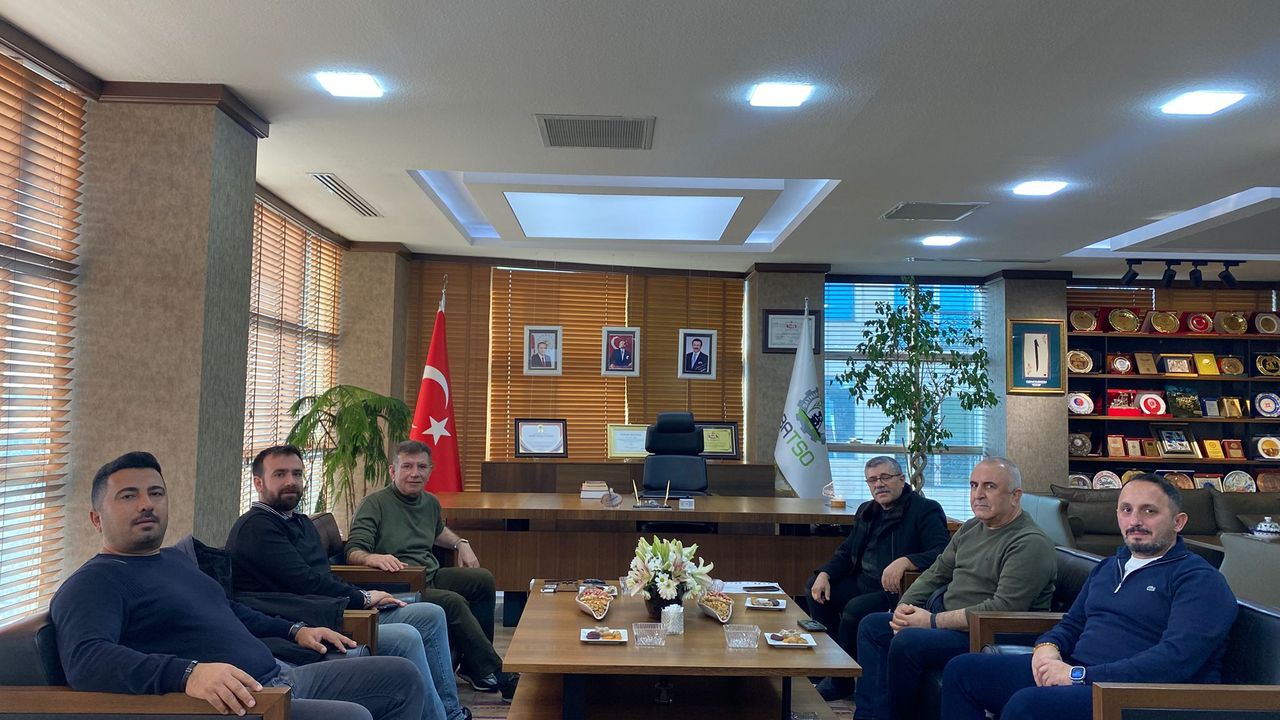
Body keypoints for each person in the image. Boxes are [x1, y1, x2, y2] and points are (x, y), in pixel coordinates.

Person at [51, 451, 425, 720]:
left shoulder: (173, 560)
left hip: (280, 675)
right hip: (244, 704)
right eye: (128, 496)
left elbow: (228, 609)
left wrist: (295, 630)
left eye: (156, 493)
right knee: (353, 716)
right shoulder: (94, 583)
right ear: (96, 519)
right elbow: (86, 660)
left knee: (400, 675)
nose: (146, 504)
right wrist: (188, 674)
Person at [942, 474, 1238, 720]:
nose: (1135, 520)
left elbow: (1174, 661)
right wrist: (1047, 647)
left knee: (1028, 705)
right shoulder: (1110, 567)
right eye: (1126, 510)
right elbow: (1072, 623)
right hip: (1081, 672)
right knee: (963, 670)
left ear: (1178, 522)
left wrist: (1079, 676)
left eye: (1149, 511)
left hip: (1139, 696)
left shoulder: (1198, 580)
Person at [225, 445, 471, 720]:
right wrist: (363, 597)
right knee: (407, 637)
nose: (291, 481)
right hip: (310, 620)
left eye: (297, 474)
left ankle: (451, 712)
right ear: (258, 483)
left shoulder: (297, 521)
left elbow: (323, 577)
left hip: (333, 608)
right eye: (280, 474)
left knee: (431, 614)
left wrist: (361, 595)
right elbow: (306, 583)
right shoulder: (257, 527)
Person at [853, 457, 1056, 720]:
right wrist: (904, 607)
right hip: (950, 623)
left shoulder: (1029, 543)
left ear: (1015, 496)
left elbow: (1003, 609)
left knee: (908, 641)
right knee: (871, 626)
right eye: (973, 485)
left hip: (992, 633)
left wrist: (931, 622)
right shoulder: (971, 528)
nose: (978, 494)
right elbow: (937, 572)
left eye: (990, 486)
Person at [346, 441, 515, 700]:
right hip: (397, 584)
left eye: (422, 467)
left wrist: (460, 543)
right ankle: (498, 671)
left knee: (482, 579)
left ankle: (473, 668)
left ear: (430, 470)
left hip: (429, 574)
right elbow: (353, 551)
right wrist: (373, 557)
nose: (415, 473)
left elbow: (438, 532)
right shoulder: (374, 504)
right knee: (453, 602)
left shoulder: (430, 502)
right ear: (393, 471)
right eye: (407, 466)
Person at [807, 456, 950, 701]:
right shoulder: (867, 510)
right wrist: (825, 573)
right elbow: (846, 551)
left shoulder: (925, 509)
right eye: (872, 480)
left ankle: (841, 679)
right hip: (863, 582)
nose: (879, 484)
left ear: (902, 479)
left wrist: (907, 561)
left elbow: (943, 552)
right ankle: (828, 664)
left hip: (898, 591)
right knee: (816, 589)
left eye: (885, 477)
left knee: (855, 609)